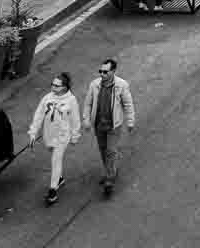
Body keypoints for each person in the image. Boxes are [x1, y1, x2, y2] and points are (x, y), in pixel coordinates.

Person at [82, 59, 135, 198]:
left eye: (105, 72)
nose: (102, 74)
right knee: (103, 150)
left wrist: (130, 121)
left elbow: (128, 104)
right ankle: (110, 171)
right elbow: (88, 104)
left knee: (110, 150)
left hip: (113, 126)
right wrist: (86, 120)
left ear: (113, 71)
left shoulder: (121, 85)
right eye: (100, 71)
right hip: (99, 125)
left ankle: (109, 180)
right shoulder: (94, 85)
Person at [28, 73, 82, 206]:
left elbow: (75, 119)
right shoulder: (47, 97)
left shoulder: (71, 100)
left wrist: (75, 135)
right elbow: (39, 115)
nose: (53, 87)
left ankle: (52, 191)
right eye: (52, 84)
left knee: (56, 160)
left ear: (65, 87)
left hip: (62, 136)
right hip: (49, 134)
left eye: (57, 86)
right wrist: (33, 132)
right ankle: (59, 178)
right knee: (54, 157)